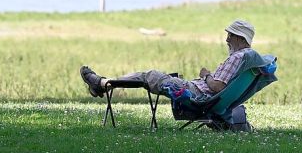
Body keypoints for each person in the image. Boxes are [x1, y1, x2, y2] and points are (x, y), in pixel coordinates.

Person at [80, 19, 256, 100]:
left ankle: (103, 84)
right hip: (194, 90)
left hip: (194, 93)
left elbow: (217, 86)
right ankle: (104, 84)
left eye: (230, 36)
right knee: (155, 76)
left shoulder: (237, 57)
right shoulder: (246, 58)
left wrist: (206, 75)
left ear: (241, 39)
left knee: (148, 76)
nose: (226, 40)